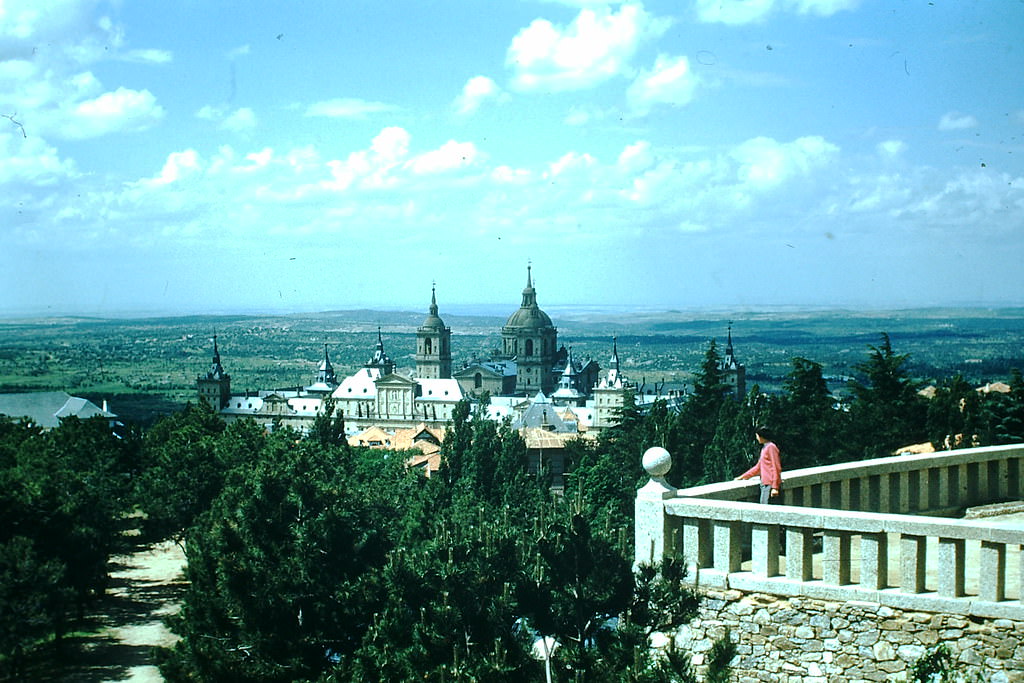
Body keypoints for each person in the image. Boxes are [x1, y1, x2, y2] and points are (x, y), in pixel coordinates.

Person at [735, 426, 783, 504]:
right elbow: (758, 467)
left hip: (770, 485)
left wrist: (775, 487)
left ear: (761, 436)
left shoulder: (771, 447)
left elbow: (776, 467)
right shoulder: (764, 448)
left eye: (757, 436)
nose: (757, 438)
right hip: (765, 484)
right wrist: (742, 477)